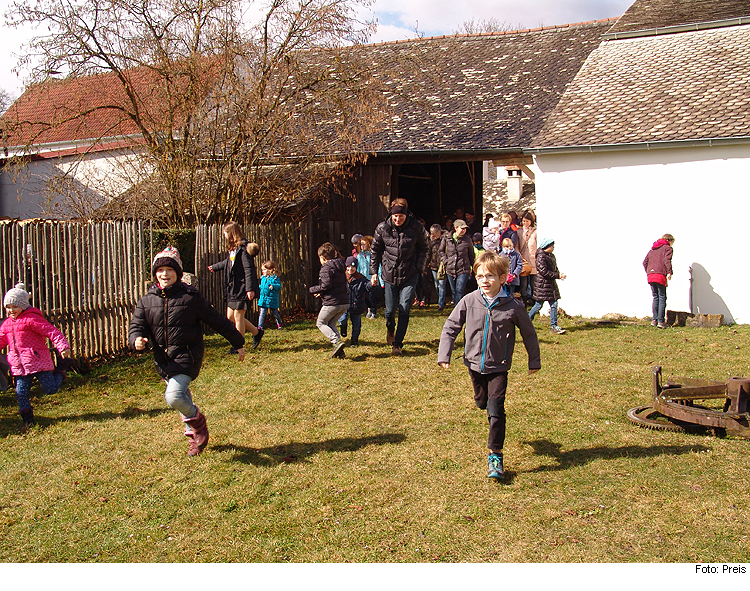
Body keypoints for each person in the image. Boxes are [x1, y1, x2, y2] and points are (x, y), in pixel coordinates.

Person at [129, 247, 246, 456]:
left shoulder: (190, 297)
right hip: (163, 360)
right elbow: (137, 325)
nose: (165, 274)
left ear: (178, 273)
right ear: (155, 273)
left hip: (187, 356)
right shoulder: (147, 301)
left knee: (174, 397)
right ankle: (195, 439)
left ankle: (198, 423)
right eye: (160, 270)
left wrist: (237, 341)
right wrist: (137, 339)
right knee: (182, 395)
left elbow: (216, 320)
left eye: (169, 270)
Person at [438, 251, 540, 481]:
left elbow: (529, 334)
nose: (485, 280)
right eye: (480, 276)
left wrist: (534, 360)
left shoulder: (513, 305)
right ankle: (483, 402)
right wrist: (444, 354)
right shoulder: (469, 300)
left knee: (496, 411)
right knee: (481, 402)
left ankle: (495, 455)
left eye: (490, 276)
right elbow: (451, 326)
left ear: (502, 278)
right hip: (473, 363)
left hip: (499, 367)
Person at [0, 283, 72, 432]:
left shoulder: (32, 320)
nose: (11, 310)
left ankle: (61, 369)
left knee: (51, 389)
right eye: (8, 307)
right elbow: (1, 339)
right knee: (21, 393)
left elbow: (52, 332)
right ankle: (28, 422)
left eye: (15, 306)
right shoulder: (6, 325)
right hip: (19, 366)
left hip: (37, 362)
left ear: (23, 306)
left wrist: (63, 346)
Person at [370, 198, 429, 355]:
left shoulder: (416, 227)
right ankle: (390, 329)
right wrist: (374, 272)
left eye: (401, 216)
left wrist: (418, 267)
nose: (397, 219)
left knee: (404, 309)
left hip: (409, 275)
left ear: (406, 214)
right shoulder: (383, 228)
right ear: (391, 213)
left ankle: (397, 344)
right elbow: (375, 249)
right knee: (389, 311)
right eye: (395, 216)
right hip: (389, 274)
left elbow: (424, 247)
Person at [208, 222, 264, 351]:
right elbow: (228, 263)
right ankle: (257, 332)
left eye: (226, 233)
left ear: (231, 233)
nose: (224, 235)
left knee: (238, 317)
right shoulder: (233, 249)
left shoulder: (243, 249)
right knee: (230, 317)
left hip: (243, 288)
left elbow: (248, 269)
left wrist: (250, 289)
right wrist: (215, 267)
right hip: (233, 288)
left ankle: (238, 345)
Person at [310, 242, 349, 359]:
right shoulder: (340, 266)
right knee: (331, 323)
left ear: (322, 258)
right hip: (344, 302)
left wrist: (313, 289)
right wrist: (321, 291)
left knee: (320, 323)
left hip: (332, 303)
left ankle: (336, 341)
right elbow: (333, 285)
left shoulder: (326, 268)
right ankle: (340, 351)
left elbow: (326, 285)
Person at [529, 238, 567, 335]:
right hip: (543, 285)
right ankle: (527, 320)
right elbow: (544, 272)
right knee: (538, 305)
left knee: (554, 304)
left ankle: (554, 325)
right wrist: (557, 275)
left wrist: (558, 274)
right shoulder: (541, 257)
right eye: (552, 246)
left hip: (550, 284)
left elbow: (554, 268)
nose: (553, 248)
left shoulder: (551, 256)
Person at [439, 218, 475, 306]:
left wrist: (473, 267)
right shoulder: (447, 238)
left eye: (465, 228)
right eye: (462, 228)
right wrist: (445, 261)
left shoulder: (468, 240)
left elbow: (471, 255)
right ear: (456, 228)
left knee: (460, 289)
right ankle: (457, 306)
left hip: (463, 268)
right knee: (454, 290)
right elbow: (440, 251)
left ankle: (458, 309)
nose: (464, 230)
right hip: (450, 268)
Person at [643, 234, 675, 329]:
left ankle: (654, 320)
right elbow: (666, 260)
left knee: (655, 297)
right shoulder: (667, 248)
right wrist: (669, 272)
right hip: (660, 275)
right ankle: (661, 321)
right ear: (669, 240)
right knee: (662, 297)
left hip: (651, 275)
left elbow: (645, 262)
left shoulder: (652, 249)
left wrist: (649, 271)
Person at [338, 256, 371, 346]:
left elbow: (368, 286)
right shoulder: (342, 277)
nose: (350, 269)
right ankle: (343, 328)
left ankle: (354, 340)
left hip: (357, 304)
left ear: (356, 268)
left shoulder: (360, 278)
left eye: (353, 267)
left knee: (356, 325)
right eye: (348, 267)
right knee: (343, 319)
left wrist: (372, 284)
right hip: (344, 304)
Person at [357, 235, 382, 319]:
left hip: (371, 279)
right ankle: (369, 309)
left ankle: (374, 312)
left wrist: (381, 281)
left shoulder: (372, 255)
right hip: (363, 279)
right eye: (361, 244)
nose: (362, 246)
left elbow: (378, 268)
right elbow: (358, 268)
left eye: (364, 244)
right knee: (365, 296)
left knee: (372, 296)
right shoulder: (359, 256)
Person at [516, 211, 537, 305]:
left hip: (533, 259)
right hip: (523, 260)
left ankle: (534, 300)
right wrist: (519, 255)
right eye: (524, 221)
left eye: (527, 221)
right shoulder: (519, 232)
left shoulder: (536, 231)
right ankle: (524, 302)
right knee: (523, 284)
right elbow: (516, 246)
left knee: (533, 283)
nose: (525, 223)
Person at [426, 224, 447, 311]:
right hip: (434, 266)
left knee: (442, 284)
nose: (432, 235)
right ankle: (441, 299)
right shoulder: (430, 242)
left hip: (442, 266)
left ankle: (440, 304)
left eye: (434, 233)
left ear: (439, 232)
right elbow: (428, 254)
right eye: (431, 233)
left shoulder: (445, 240)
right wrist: (426, 264)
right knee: (437, 285)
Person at [258, 260, 283, 330]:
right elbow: (262, 287)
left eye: (264, 269)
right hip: (263, 299)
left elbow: (279, 286)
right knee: (262, 313)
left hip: (272, 299)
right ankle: (260, 327)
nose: (263, 271)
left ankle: (279, 324)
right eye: (262, 270)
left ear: (270, 269)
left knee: (275, 313)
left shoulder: (275, 278)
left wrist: (273, 286)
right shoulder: (263, 278)